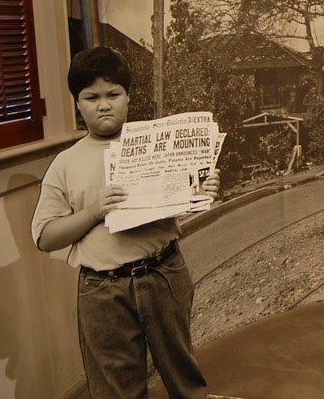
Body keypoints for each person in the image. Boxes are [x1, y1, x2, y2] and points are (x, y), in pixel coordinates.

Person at [31, 47, 219, 397]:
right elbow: (45, 237)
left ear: (128, 97)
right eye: (92, 97)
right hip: (103, 289)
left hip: (163, 273)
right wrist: (92, 212)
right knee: (116, 386)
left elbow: (180, 203)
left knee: (183, 374)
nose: (104, 104)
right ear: (78, 104)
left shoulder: (157, 145)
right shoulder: (65, 164)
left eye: (113, 94)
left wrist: (202, 188)